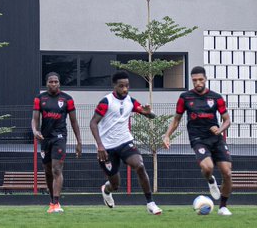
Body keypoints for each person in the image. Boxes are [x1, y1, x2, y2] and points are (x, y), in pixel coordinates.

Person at [163, 65, 233, 216]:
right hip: (198, 138)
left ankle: (223, 207)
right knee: (207, 168)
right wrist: (167, 135)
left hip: (216, 138)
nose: (198, 83)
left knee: (227, 173)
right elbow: (176, 119)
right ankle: (210, 180)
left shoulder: (216, 97)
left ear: (206, 79)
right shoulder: (185, 97)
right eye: (195, 80)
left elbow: (227, 120)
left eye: (201, 79)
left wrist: (220, 130)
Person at [90, 70, 162, 215]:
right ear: (114, 86)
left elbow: (150, 115)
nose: (125, 89)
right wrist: (100, 145)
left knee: (140, 165)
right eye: (121, 86)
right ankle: (106, 189)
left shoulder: (131, 101)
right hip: (107, 148)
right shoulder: (106, 102)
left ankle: (151, 203)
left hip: (125, 142)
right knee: (115, 184)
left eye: (127, 86)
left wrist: (149, 112)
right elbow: (93, 123)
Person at [31, 72, 83, 214]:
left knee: (56, 169)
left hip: (59, 137)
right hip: (45, 138)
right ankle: (52, 201)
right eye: (51, 81)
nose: (53, 84)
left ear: (59, 83)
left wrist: (79, 141)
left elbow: (74, 121)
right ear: (46, 83)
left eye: (56, 81)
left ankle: (56, 203)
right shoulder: (39, 99)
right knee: (48, 171)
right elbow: (35, 118)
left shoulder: (67, 99)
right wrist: (35, 131)